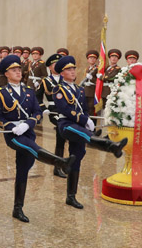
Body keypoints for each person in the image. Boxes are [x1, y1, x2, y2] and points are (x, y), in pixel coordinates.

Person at [0, 55, 75, 222]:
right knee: (30, 148)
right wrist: (10, 127)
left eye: (18, 69)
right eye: (13, 70)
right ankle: (59, 162)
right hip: (13, 134)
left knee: (23, 169)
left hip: (28, 131)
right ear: (6, 74)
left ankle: (18, 208)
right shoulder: (0, 93)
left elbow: (37, 113)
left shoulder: (29, 92)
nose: (17, 72)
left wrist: (27, 124)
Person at [52, 55, 127, 209]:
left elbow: (85, 108)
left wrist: (88, 119)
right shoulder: (58, 89)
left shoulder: (79, 89)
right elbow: (64, 109)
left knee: (76, 158)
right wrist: (83, 120)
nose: (73, 71)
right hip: (66, 124)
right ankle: (111, 146)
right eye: (68, 69)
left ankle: (70, 196)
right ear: (62, 73)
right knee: (85, 135)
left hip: (79, 125)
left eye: (73, 68)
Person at [35, 53, 68, 178]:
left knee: (66, 137)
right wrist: (43, 108)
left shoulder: (66, 79)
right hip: (54, 111)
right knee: (61, 137)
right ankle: (58, 166)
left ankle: (65, 163)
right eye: (55, 64)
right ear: (49, 67)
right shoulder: (45, 81)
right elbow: (37, 97)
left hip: (67, 110)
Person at [82, 50, 99, 115]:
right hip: (86, 91)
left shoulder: (97, 68)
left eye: (94, 58)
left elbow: (99, 80)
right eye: (90, 58)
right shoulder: (87, 69)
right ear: (88, 60)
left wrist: (91, 79)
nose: (92, 59)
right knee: (85, 108)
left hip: (93, 91)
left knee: (92, 109)